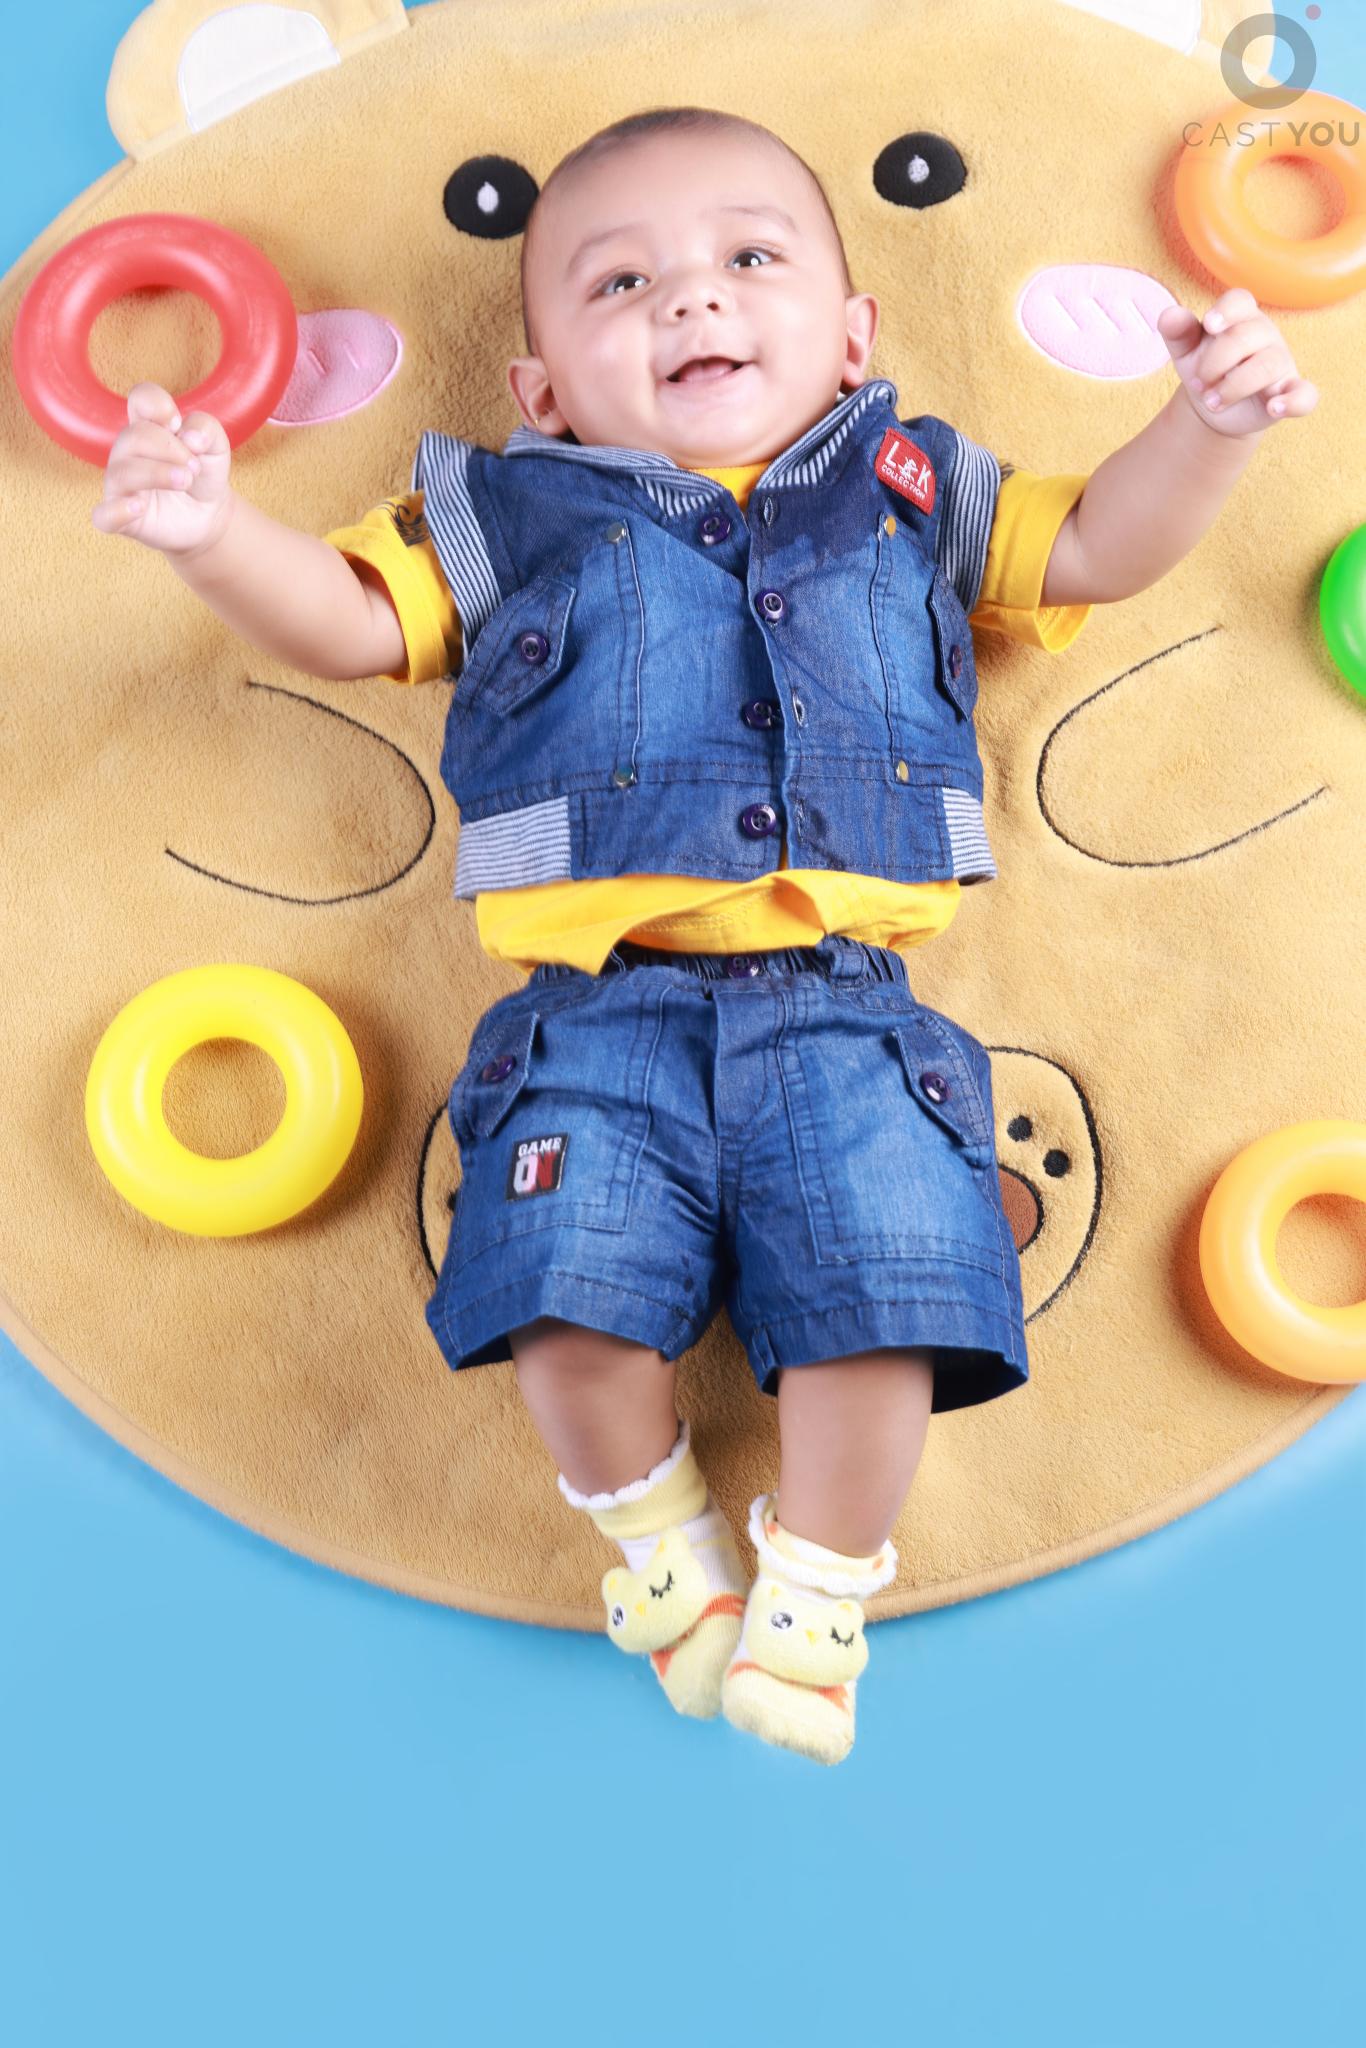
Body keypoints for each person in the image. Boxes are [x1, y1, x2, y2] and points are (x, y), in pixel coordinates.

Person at [92, 106, 1316, 1766]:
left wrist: (1205, 426)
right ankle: (662, 1554)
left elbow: (1099, 540)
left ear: (851, 337)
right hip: (592, 1018)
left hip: (851, 1015)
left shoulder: (906, 484)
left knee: (892, 1296)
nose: (691, 297)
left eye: (749, 257)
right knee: (562, 1298)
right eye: (619, 283)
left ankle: (816, 1594)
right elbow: (352, 621)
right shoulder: (505, 511)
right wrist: (210, 536)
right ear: (539, 390)